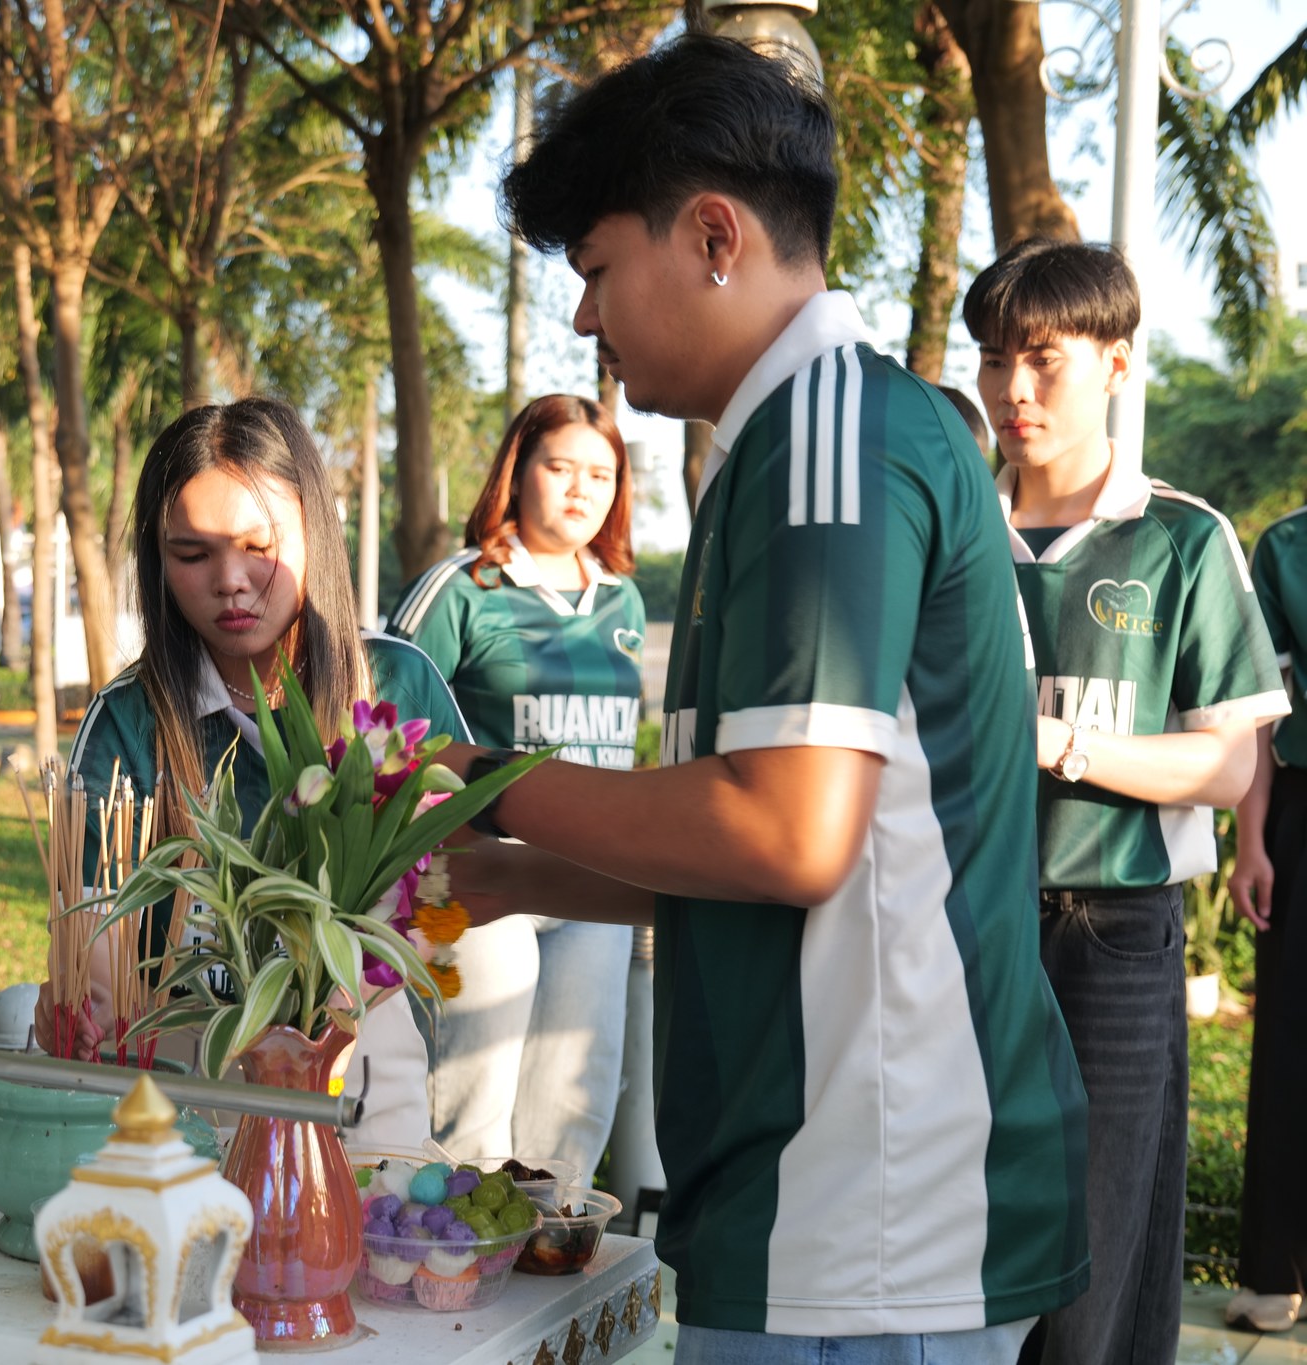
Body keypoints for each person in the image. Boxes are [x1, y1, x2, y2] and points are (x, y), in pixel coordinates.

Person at [436, 35, 1091, 1357]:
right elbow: (763, 854)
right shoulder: (780, 455)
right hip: (817, 1200)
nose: (585, 322)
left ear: (715, 234)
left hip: (868, 1215)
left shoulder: (830, 442)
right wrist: (504, 876)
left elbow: (789, 834)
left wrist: (483, 778)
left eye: (598, 270)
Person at [962, 238, 1288, 1365]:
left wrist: (1054, 742)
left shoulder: (1181, 538)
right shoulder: (951, 535)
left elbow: (1225, 767)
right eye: (994, 359)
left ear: (1114, 363)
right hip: (958, 928)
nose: (1011, 390)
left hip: (1109, 933)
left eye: (1041, 359)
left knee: (1093, 1263)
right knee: (962, 1249)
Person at [38, 396, 470, 1150]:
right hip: (182, 1105)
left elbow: (455, 882)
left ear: (314, 530)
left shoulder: (395, 681)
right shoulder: (127, 723)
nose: (231, 580)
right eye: (192, 554)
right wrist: (86, 1001)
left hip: (364, 1086)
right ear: (156, 559)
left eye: (258, 544)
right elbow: (94, 929)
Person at [386, 393, 644, 1178]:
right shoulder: (462, 587)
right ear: (517, 471)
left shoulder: (623, 596)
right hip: (479, 876)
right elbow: (386, 726)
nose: (580, 489)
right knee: (477, 1097)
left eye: (601, 473)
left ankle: (552, 1253)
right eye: (559, 466)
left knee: (576, 1098)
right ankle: (448, 1257)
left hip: (591, 873)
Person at [1227, 505, 1307, 1333]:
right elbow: (1262, 715)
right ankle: (1273, 1268)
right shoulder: (1286, 547)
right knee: (1289, 1038)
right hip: (1301, 810)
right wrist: (1253, 841)